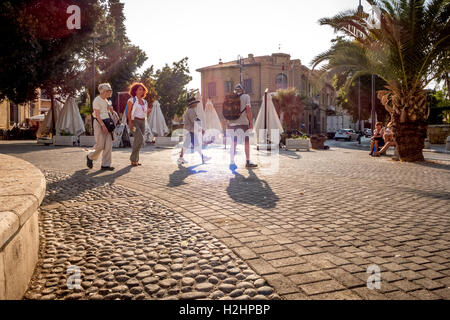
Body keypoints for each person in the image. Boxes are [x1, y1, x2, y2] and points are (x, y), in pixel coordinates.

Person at [227, 84, 257, 168]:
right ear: (243, 90)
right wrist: (250, 122)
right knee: (246, 142)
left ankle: (232, 162)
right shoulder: (246, 96)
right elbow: (248, 109)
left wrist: (227, 123)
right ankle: (248, 162)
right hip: (243, 123)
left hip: (232, 123)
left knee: (233, 143)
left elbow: (227, 112)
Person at [86, 83, 115, 171]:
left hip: (107, 123)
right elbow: (97, 115)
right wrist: (103, 126)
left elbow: (109, 112)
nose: (110, 92)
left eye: (110, 91)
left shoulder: (106, 100)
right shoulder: (97, 100)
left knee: (108, 145)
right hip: (99, 123)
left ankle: (105, 165)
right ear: (103, 91)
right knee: (100, 145)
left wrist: (110, 109)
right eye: (109, 91)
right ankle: (90, 157)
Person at [178, 94, 211, 165]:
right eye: (195, 103)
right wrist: (201, 129)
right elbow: (194, 122)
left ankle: (181, 158)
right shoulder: (191, 111)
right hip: (190, 130)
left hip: (189, 130)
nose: (196, 104)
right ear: (193, 104)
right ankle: (202, 157)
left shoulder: (190, 110)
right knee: (194, 145)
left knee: (189, 145)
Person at [127, 83, 152, 167]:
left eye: (143, 89)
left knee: (139, 141)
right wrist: (130, 122)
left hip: (142, 122)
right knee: (139, 138)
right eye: (140, 89)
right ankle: (133, 159)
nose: (142, 91)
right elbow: (129, 112)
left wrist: (147, 112)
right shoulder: (131, 100)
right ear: (135, 91)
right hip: (134, 122)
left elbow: (144, 113)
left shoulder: (145, 101)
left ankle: (135, 160)